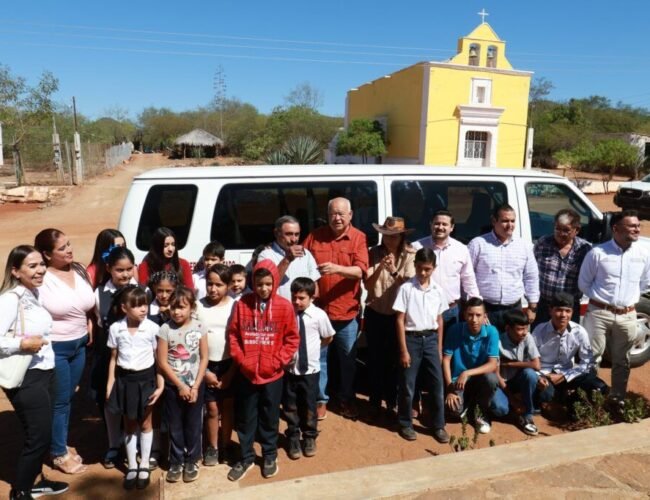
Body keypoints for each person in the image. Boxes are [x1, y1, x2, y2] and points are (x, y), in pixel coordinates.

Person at [0, 246, 69, 500]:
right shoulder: (10, 299)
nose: (40, 270)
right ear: (16, 271)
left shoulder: (34, 293)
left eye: (41, 264)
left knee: (45, 431)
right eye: (32, 266)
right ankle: (21, 491)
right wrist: (21, 344)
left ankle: (36, 481)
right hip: (25, 376)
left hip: (44, 370)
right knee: (38, 436)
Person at [226, 260, 299, 482]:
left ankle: (269, 455)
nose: (264, 288)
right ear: (253, 283)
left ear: (275, 283)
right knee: (246, 418)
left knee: (269, 417)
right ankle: (247, 457)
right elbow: (233, 336)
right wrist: (243, 361)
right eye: (259, 284)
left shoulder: (285, 306)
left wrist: (277, 362)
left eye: (268, 284)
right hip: (247, 373)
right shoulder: (242, 305)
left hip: (273, 374)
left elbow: (292, 339)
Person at [34, 228, 95, 474]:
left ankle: (60, 442)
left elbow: (86, 305)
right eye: (62, 248)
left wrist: (88, 322)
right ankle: (58, 453)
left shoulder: (78, 270)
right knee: (60, 402)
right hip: (56, 348)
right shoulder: (41, 279)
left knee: (68, 398)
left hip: (80, 346)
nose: (69, 250)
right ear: (47, 255)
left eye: (69, 244)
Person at [303, 197, 369, 420]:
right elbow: (301, 265)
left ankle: (346, 399)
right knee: (319, 359)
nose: (337, 218)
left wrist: (337, 269)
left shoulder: (359, 238)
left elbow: (361, 271)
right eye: (333, 213)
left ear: (350, 215)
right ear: (327, 214)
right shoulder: (314, 237)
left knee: (347, 362)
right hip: (319, 312)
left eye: (342, 213)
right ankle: (320, 400)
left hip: (346, 313)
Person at [578, 210, 649, 403]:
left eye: (637, 225)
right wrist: (602, 300)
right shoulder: (598, 253)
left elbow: (644, 283)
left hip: (627, 315)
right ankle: (590, 397)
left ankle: (617, 398)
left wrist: (627, 301)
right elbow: (584, 283)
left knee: (622, 360)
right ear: (616, 228)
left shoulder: (643, 254)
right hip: (599, 313)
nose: (636, 229)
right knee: (592, 357)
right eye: (631, 226)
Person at [105, 286, 163, 490]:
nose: (142, 309)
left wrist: (160, 384)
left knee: (146, 422)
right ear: (124, 308)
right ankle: (132, 466)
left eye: (144, 304)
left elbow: (159, 360)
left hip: (146, 380)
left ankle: (145, 464)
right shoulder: (115, 329)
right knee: (129, 423)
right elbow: (113, 359)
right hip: (124, 380)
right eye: (136, 305)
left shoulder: (153, 328)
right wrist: (110, 385)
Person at [392, 248, 449, 443]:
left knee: (436, 384)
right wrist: (403, 350)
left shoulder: (438, 290)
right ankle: (405, 423)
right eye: (419, 268)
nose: (423, 273)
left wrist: (439, 348)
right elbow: (399, 319)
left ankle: (439, 425)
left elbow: (440, 319)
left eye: (427, 269)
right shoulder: (407, 289)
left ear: (433, 268)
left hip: (431, 339)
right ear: (414, 265)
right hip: (411, 339)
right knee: (408, 384)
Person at [363, 216, 416, 419]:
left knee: (396, 360)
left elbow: (410, 287)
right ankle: (375, 400)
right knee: (375, 359)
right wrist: (380, 270)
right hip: (376, 312)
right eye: (386, 235)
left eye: (393, 236)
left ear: (402, 236)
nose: (389, 240)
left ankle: (393, 401)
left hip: (398, 317)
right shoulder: (373, 253)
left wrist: (393, 271)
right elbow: (367, 284)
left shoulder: (411, 255)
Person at [92, 246, 139, 469]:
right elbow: (99, 324)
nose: (125, 274)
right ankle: (113, 444)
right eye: (120, 270)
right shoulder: (99, 294)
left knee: (135, 403)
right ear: (109, 268)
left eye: (129, 269)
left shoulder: (141, 291)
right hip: (109, 358)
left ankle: (135, 444)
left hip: (137, 360)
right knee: (110, 403)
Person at [156, 287, 208, 483]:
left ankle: (192, 460)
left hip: (195, 386)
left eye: (182, 307)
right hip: (173, 387)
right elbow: (162, 362)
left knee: (194, 424)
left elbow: (204, 358)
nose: (176, 312)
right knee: (175, 425)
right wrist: (180, 386)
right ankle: (176, 461)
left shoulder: (200, 327)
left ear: (192, 307)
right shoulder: (165, 329)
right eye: (173, 307)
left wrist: (194, 386)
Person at [532, 292, 609, 418]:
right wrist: (539, 377)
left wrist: (563, 375)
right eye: (559, 310)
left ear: (572, 312)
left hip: (567, 372)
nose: (563, 315)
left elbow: (588, 362)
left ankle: (571, 405)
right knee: (546, 394)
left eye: (567, 311)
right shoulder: (539, 330)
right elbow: (530, 360)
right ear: (550, 310)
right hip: (545, 375)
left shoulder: (579, 332)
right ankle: (549, 401)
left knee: (599, 386)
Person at [283, 277, 335, 460]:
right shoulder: (287, 313)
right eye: (294, 297)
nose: (297, 301)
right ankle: (294, 437)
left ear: (312, 297)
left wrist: (314, 349)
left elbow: (328, 336)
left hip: (310, 371)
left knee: (309, 405)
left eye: (302, 298)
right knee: (290, 405)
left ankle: (310, 436)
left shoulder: (319, 315)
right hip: (290, 370)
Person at [468, 204, 540, 332]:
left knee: (511, 349)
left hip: (514, 310)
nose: (510, 225)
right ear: (494, 221)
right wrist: (477, 309)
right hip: (486, 310)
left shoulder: (524, 246)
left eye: (512, 221)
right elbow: (468, 278)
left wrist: (532, 307)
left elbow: (531, 277)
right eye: (505, 221)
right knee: (487, 350)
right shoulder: (478, 244)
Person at [196, 264, 236, 466]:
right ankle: (213, 447)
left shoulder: (235, 306)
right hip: (205, 365)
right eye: (210, 284)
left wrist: (231, 372)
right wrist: (205, 373)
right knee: (211, 408)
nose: (213, 289)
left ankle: (226, 444)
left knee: (228, 407)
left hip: (230, 364)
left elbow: (239, 339)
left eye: (219, 285)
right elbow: (192, 339)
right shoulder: (197, 305)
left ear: (228, 285)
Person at [413, 210, 481, 329]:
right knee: (429, 347)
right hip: (423, 310)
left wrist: (477, 307)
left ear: (452, 227)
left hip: (451, 311)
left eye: (445, 224)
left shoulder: (461, 249)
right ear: (431, 225)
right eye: (437, 223)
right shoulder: (416, 247)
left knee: (450, 346)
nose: (440, 227)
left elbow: (468, 281)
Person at [443, 297, 499, 434]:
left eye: (478, 315)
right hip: (458, 382)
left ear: (485, 316)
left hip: (480, 379)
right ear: (464, 315)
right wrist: (450, 389)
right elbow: (445, 360)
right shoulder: (454, 330)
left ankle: (479, 412)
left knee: (500, 404)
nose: (474, 320)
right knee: (454, 411)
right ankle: (469, 405)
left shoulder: (492, 332)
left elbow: (493, 364)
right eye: (470, 315)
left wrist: (467, 373)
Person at [533, 209, 591, 326]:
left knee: (568, 341)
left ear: (577, 230)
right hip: (544, 306)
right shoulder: (542, 243)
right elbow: (530, 272)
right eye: (557, 229)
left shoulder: (584, 249)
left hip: (569, 308)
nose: (561, 233)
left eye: (566, 230)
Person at [490, 309, 542, 436]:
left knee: (530, 374)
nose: (524, 333)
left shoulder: (527, 337)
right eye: (519, 329)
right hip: (502, 382)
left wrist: (508, 363)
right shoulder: (497, 342)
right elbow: (496, 374)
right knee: (500, 409)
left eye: (526, 328)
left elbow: (536, 365)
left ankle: (527, 414)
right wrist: (512, 399)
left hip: (517, 379)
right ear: (508, 328)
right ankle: (513, 410)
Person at [257, 215, 320, 300]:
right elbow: (265, 286)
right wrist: (287, 259)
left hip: (301, 311)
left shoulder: (306, 254)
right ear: (276, 233)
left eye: (297, 234)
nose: (294, 239)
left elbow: (314, 288)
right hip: (278, 310)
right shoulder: (265, 255)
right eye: (289, 234)